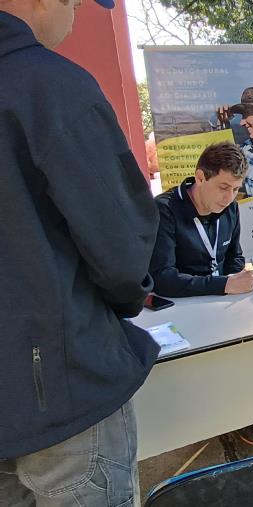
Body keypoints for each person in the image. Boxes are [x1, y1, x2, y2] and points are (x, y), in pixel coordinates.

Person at [0, 1, 161, 505]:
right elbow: (121, 244)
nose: (75, 17)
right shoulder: (51, 86)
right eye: (74, 2)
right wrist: (129, 298)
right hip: (63, 383)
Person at [149, 141, 253, 447]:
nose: (229, 197)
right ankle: (202, 419)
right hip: (179, 307)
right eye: (222, 187)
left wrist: (236, 279)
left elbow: (235, 256)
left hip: (221, 301)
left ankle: (242, 413)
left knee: (248, 350)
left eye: (235, 189)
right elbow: (162, 279)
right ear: (200, 177)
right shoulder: (163, 210)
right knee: (201, 371)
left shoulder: (230, 206)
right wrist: (223, 285)